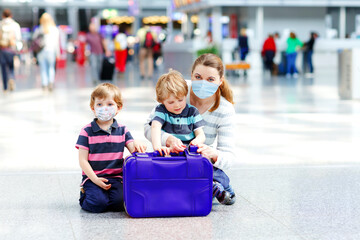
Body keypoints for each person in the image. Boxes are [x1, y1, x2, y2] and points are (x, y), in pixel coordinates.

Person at [144, 53, 236, 205]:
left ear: (220, 81)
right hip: (172, 157)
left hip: (197, 159)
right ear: (191, 75)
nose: (203, 83)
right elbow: (149, 126)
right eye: (198, 77)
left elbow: (229, 158)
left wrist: (213, 154)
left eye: (211, 79)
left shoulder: (225, 110)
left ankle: (210, 187)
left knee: (205, 175)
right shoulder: (178, 90)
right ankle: (206, 188)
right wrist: (167, 139)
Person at [75, 83, 147, 213]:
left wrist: (137, 144)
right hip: (92, 177)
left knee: (120, 204)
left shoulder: (123, 130)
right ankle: (86, 194)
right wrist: (95, 179)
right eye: (99, 104)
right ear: (93, 108)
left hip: (116, 178)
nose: (104, 108)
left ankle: (106, 198)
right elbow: (82, 160)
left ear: (118, 108)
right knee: (97, 204)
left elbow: (133, 149)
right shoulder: (86, 131)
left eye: (109, 104)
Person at [150, 69, 206, 155]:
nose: (177, 105)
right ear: (162, 101)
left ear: (185, 95)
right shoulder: (161, 110)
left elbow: (201, 135)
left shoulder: (192, 112)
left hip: (188, 154)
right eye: (171, 102)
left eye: (180, 100)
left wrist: (196, 142)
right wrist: (157, 147)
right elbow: (155, 127)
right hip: (168, 153)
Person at [32, 13, 59, 91]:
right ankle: (51, 82)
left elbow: (34, 40)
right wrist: (58, 54)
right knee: (51, 68)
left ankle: (44, 84)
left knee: (43, 68)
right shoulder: (54, 29)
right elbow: (56, 43)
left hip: (41, 52)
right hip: (51, 51)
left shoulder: (39, 29)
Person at [0, 9, 21, 93]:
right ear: (11, 15)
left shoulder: (1, 24)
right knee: (11, 67)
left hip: (2, 48)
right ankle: (11, 78)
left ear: (3, 15)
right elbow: (18, 38)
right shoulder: (15, 25)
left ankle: (5, 87)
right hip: (11, 49)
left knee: (3, 68)